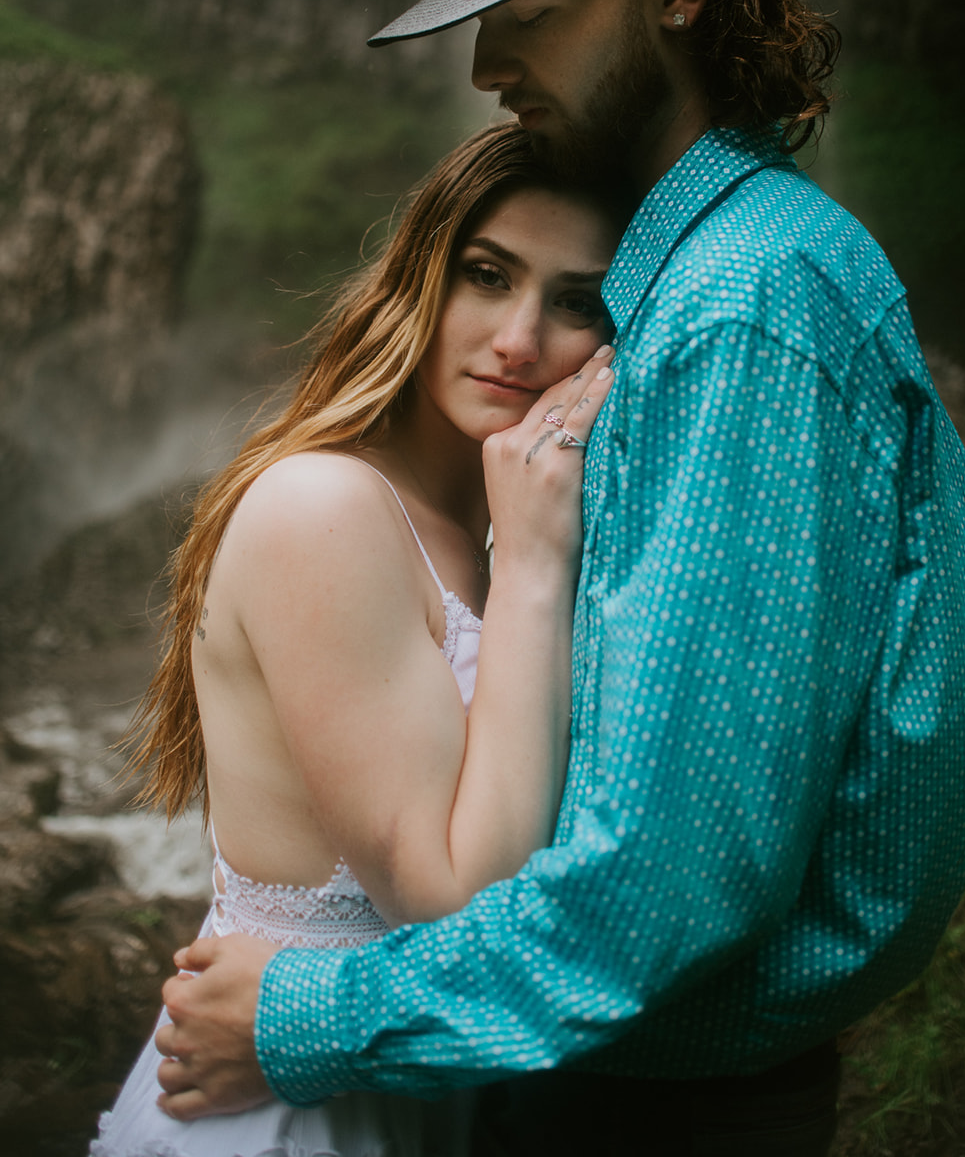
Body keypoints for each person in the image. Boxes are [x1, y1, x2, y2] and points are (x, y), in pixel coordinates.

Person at [155, 0, 965, 1157]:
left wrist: (312, 1016)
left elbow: (665, 885)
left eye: (530, 13)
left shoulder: (740, 307)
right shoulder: (697, 289)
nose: (486, 64)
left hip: (659, 1109)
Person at [90, 121, 628, 1156]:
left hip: (415, 1093)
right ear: (420, 280)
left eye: (575, 301)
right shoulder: (326, 507)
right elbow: (452, 899)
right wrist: (531, 561)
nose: (519, 339)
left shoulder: (481, 524)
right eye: (485, 274)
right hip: (282, 1123)